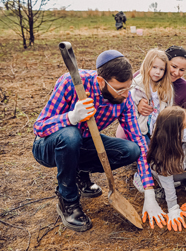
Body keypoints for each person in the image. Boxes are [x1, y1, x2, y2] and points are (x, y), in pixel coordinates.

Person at [32, 50, 163, 232]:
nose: (126, 95)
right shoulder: (70, 83)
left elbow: (139, 141)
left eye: (129, 88)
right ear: (102, 82)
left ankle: (79, 174)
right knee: (71, 135)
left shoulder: (124, 100)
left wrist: (149, 191)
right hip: (48, 147)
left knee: (131, 150)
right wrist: (71, 117)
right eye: (120, 89)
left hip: (83, 142)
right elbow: (39, 127)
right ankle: (68, 200)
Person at [115, 49, 174, 144]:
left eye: (161, 69)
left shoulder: (167, 88)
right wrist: (135, 131)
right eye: (154, 67)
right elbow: (130, 109)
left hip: (157, 130)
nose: (158, 72)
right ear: (147, 66)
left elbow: (169, 109)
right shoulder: (138, 86)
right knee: (145, 150)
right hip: (139, 130)